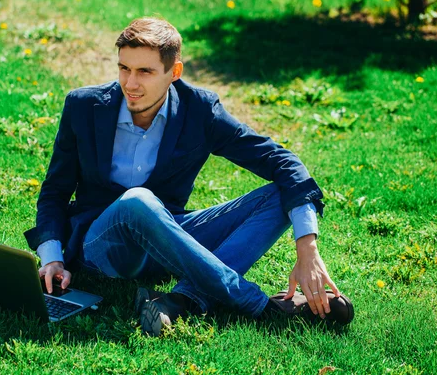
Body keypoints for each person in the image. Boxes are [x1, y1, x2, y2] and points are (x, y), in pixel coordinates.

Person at [24, 17, 353, 336]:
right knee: (137, 201)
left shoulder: (199, 111)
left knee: (280, 194)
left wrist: (307, 246)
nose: (130, 83)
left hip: (167, 242)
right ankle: (260, 307)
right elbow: (55, 191)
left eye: (145, 72)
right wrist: (52, 258)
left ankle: (180, 300)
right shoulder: (84, 106)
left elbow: (280, 160)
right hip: (103, 248)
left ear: (174, 72)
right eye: (124, 68)